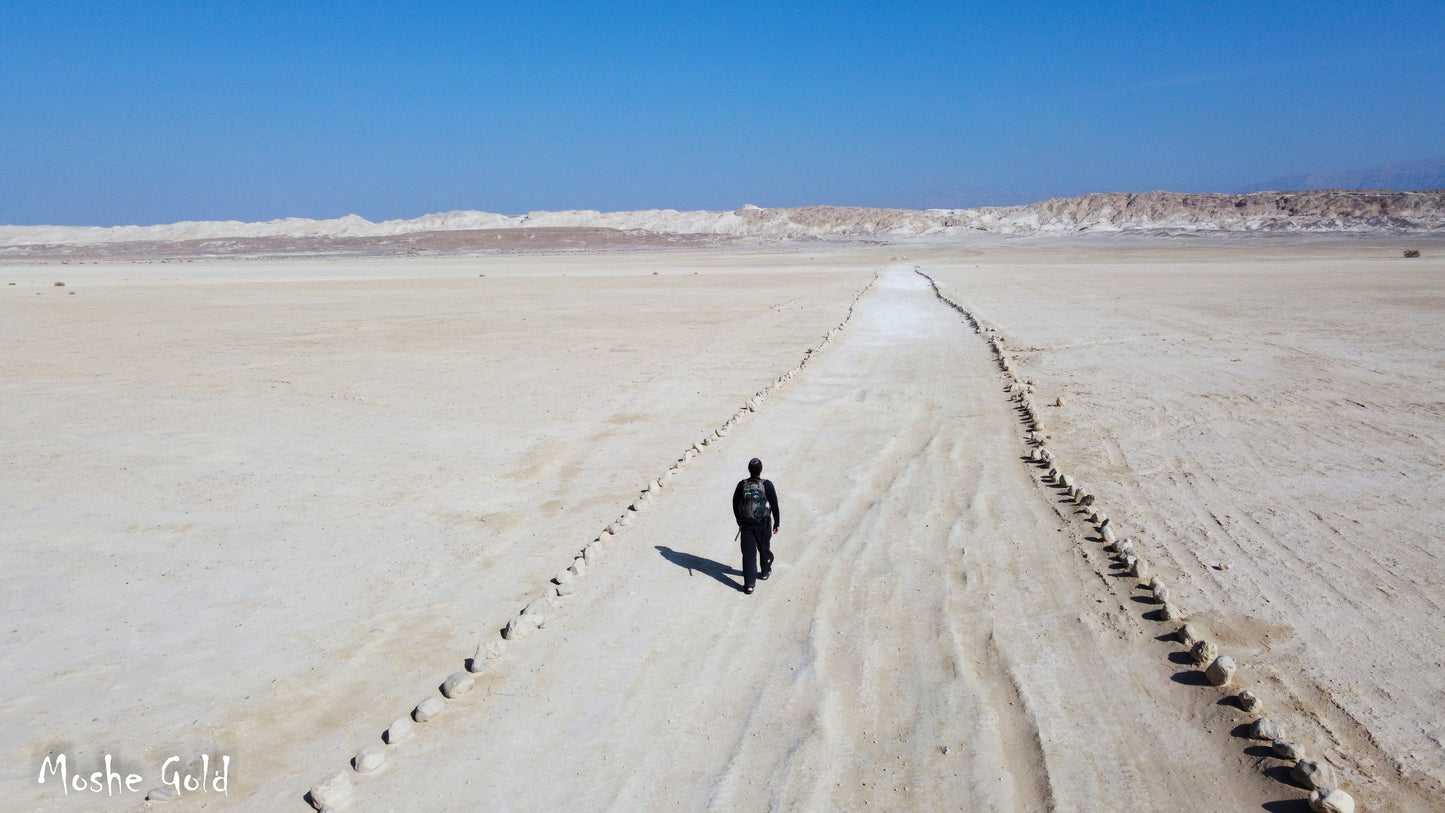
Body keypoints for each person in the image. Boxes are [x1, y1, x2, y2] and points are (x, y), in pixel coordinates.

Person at [732, 457, 780, 594]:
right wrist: (777, 522)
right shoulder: (767, 485)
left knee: (748, 554)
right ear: (761, 470)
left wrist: (739, 520)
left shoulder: (742, 485)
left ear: (749, 470)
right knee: (764, 547)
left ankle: (749, 585)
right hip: (763, 523)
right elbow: (775, 505)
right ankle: (765, 571)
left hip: (746, 524)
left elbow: (735, 503)